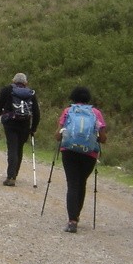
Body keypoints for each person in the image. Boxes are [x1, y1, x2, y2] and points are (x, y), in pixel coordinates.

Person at [56, 86, 107, 233]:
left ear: (72, 97)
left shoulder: (68, 111)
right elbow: (103, 138)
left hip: (69, 151)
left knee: (72, 183)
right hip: (89, 153)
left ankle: (72, 221)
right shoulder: (96, 113)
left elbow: (58, 135)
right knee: (81, 182)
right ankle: (76, 215)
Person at [0, 72, 41, 186]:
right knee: (19, 148)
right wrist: (33, 128)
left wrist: (1, 113)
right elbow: (37, 113)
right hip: (25, 124)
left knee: (12, 148)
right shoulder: (31, 93)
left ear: (13, 81)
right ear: (26, 83)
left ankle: (11, 176)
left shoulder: (7, 90)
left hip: (10, 123)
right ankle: (15, 174)